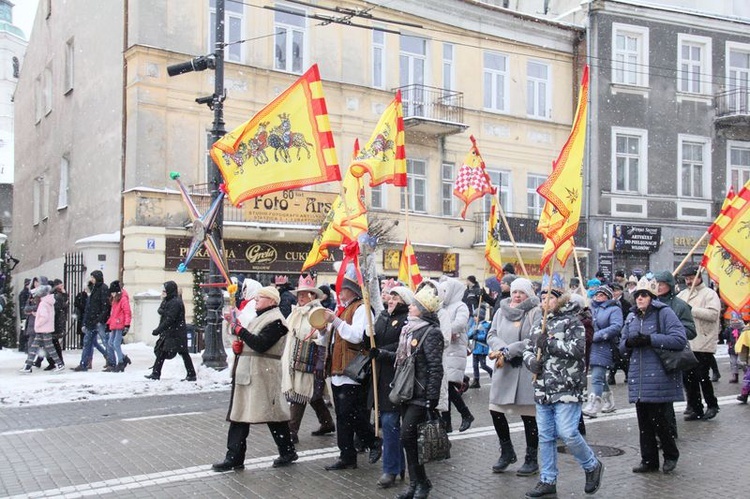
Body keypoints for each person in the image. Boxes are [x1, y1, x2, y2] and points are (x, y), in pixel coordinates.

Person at [522, 289, 603, 498]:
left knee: (568, 433)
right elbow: (528, 350)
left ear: (559, 301)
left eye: (549, 297)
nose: (545, 301)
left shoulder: (572, 322)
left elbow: (577, 350)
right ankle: (548, 479)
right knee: (546, 436)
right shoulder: (538, 323)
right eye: (542, 298)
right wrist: (533, 362)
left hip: (567, 387)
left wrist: (548, 344)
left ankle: (591, 464)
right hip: (543, 388)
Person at [212, 285, 297, 471]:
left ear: (272, 301)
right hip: (251, 373)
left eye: (260, 297)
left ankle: (286, 450)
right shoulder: (261, 318)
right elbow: (250, 341)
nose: (256, 300)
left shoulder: (276, 321)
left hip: (263, 374)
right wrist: (239, 344)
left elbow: (261, 344)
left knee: (272, 415)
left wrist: (240, 330)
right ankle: (235, 456)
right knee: (241, 415)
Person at [620, 277, 686, 474]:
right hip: (639, 377)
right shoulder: (631, 317)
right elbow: (622, 344)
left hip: (658, 375)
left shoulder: (664, 313)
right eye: (637, 295)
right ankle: (648, 460)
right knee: (644, 423)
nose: (639, 298)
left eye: (644, 294)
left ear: (652, 296)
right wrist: (628, 344)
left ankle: (670, 456)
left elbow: (679, 339)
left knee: (661, 422)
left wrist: (650, 339)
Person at [322, 268, 380, 471]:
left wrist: (336, 322)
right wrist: (324, 330)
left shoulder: (362, 309)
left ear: (353, 291)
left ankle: (371, 442)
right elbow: (331, 340)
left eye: (343, 289)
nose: (339, 293)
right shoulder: (344, 309)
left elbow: (356, 337)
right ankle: (347, 455)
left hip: (352, 370)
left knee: (351, 415)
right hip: (339, 370)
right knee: (344, 416)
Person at [393, 285, 444, 499]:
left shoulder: (431, 333)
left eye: (414, 304)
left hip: (420, 394)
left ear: (423, 309)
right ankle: (416, 483)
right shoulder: (408, 329)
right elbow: (403, 360)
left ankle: (422, 482)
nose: (410, 306)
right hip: (407, 391)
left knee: (408, 435)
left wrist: (432, 397)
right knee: (409, 439)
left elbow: (435, 368)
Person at [487, 277, 541, 476]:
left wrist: (511, 350)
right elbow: (491, 334)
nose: (517, 295)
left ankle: (531, 458)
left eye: (522, 292)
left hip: (525, 368)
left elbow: (534, 339)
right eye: (515, 292)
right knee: (495, 410)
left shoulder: (535, 312)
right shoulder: (501, 311)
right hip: (503, 367)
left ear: (529, 294)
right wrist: (501, 349)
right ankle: (507, 451)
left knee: (529, 416)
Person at [368, 285, 413, 488]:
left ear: (404, 300)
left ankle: (390, 470)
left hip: (398, 378)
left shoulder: (407, 321)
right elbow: (373, 340)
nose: (391, 300)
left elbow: (404, 347)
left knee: (390, 423)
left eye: (396, 297)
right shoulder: (383, 317)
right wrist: (367, 338)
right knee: (389, 424)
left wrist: (381, 352)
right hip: (381, 377)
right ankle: (399, 465)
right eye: (390, 296)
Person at [281, 275, 334, 444]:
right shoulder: (296, 312)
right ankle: (327, 422)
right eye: (299, 294)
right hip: (295, 357)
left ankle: (291, 431)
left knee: (300, 392)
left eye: (305, 294)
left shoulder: (317, 313)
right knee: (313, 394)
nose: (301, 297)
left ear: (313, 295)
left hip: (309, 359)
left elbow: (321, 336)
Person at [677, 266, 721, 420]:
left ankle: (712, 405)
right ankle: (696, 408)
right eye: (687, 278)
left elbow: (713, 314)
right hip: (687, 342)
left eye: (691, 278)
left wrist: (691, 309)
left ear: (699, 277)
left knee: (703, 377)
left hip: (703, 341)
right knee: (688, 379)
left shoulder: (709, 294)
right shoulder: (682, 294)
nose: (689, 281)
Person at [438, 276, 474, 433]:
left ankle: (465, 414)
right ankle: (448, 422)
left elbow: (460, 323)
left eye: (445, 290)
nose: (442, 293)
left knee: (447, 384)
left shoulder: (461, 306)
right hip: (444, 349)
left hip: (454, 350)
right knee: (444, 387)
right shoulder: (441, 307)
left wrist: (445, 331)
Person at [583, 286, 623, 418]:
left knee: (596, 376)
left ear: (608, 296)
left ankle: (594, 404)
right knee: (599, 376)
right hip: (590, 347)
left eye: (602, 294)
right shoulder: (590, 308)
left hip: (605, 346)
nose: (598, 296)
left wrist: (597, 335)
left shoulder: (614, 309)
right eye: (597, 294)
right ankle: (609, 401)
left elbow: (616, 326)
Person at [145, 281, 196, 381]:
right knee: (163, 352)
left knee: (182, 353)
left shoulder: (176, 302)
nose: (163, 292)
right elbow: (163, 309)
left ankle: (191, 374)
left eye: (165, 290)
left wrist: (158, 330)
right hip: (171, 332)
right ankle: (156, 373)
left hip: (176, 333)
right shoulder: (168, 300)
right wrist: (162, 311)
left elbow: (170, 319)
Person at [19, 282, 66, 373]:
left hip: (43, 329)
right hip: (45, 329)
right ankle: (28, 366)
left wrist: (38, 324)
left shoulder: (43, 303)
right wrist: (36, 314)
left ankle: (59, 364)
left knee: (48, 348)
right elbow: (45, 315)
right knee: (37, 347)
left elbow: (44, 317)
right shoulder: (48, 302)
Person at [74, 271, 110, 372]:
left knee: (105, 341)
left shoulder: (103, 288)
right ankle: (83, 363)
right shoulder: (93, 288)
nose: (92, 279)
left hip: (98, 320)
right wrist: (86, 321)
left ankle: (113, 360)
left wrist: (99, 319)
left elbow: (105, 306)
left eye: (93, 277)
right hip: (91, 321)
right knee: (87, 342)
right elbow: (89, 307)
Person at [607, 282, 631, 385]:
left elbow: (628, 316)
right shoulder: (608, 303)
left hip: (622, 331)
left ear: (621, 291)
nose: (614, 293)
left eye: (616, 290)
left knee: (621, 355)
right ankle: (612, 375)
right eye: (613, 291)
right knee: (614, 355)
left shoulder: (625, 303)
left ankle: (625, 374)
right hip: (611, 332)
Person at [105, 280, 132, 372]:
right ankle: (124, 358)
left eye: (113, 292)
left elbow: (127, 312)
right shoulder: (115, 299)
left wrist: (127, 325)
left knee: (116, 344)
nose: (112, 294)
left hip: (120, 324)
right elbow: (113, 314)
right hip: (114, 323)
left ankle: (121, 362)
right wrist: (108, 323)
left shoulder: (123, 299)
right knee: (110, 343)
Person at [467, 303, 492, 389]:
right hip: (475, 348)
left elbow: (485, 336)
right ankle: (476, 380)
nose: (474, 318)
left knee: (483, 365)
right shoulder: (474, 325)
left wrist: (477, 336)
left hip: (482, 348)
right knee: (475, 365)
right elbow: (469, 334)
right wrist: (472, 334)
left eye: (475, 316)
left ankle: (492, 373)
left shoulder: (485, 325)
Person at [724, 312, 744, 384]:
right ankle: (735, 376)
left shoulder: (743, 328)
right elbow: (725, 336)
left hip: (742, 348)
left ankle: (746, 376)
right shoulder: (729, 328)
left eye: (736, 320)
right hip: (732, 347)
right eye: (733, 320)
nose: (735, 322)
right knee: (733, 363)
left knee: (741, 362)